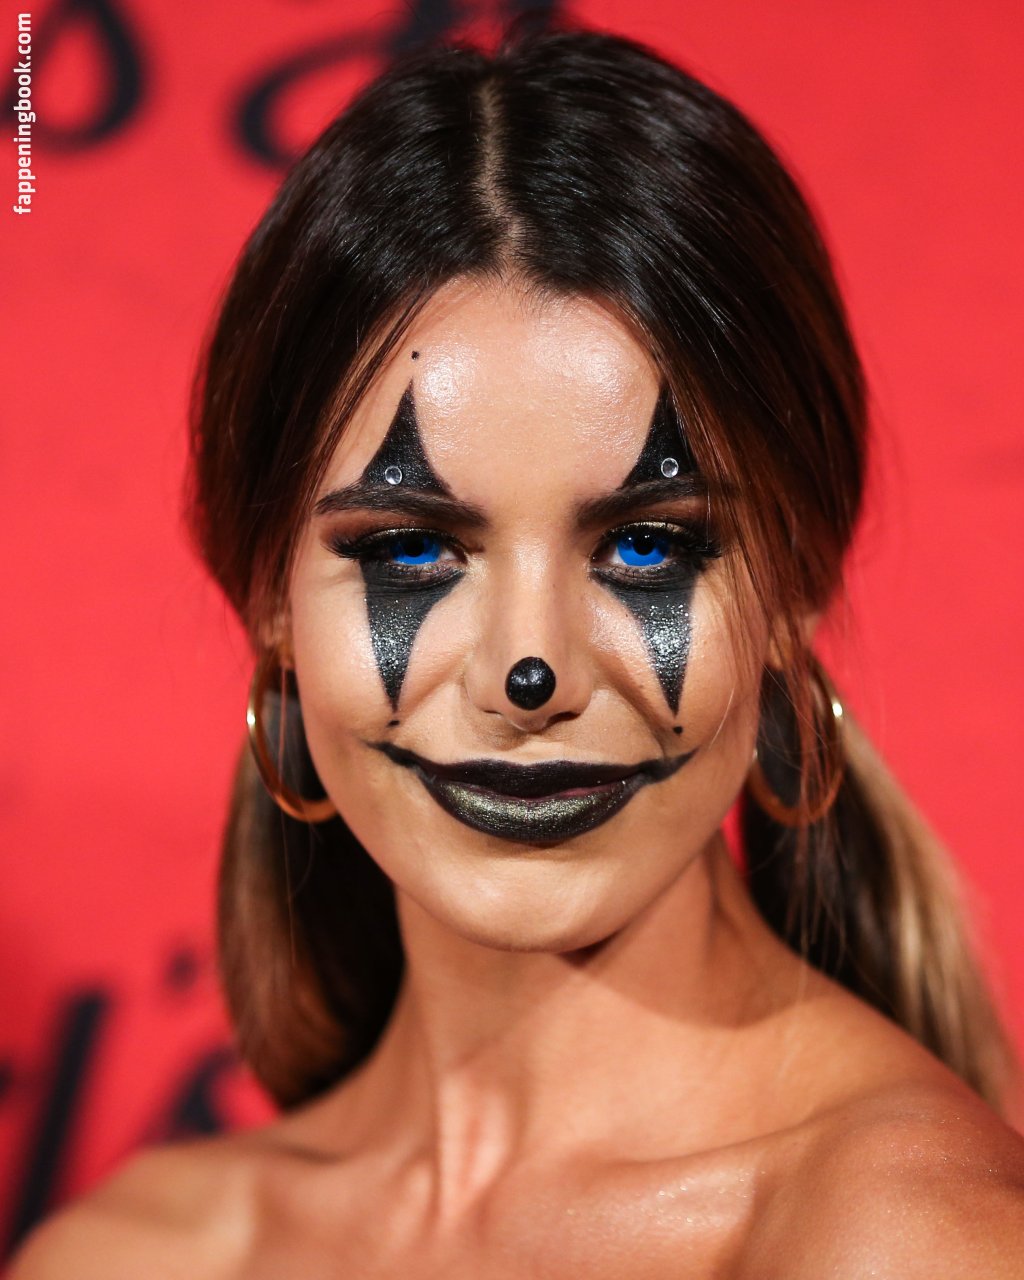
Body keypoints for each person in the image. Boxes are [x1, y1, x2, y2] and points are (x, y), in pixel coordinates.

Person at [12, 20, 1024, 1279]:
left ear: (794, 588)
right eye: (411, 549)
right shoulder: (135, 1254)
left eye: (645, 545)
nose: (527, 670)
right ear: (266, 593)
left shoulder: (900, 1239)